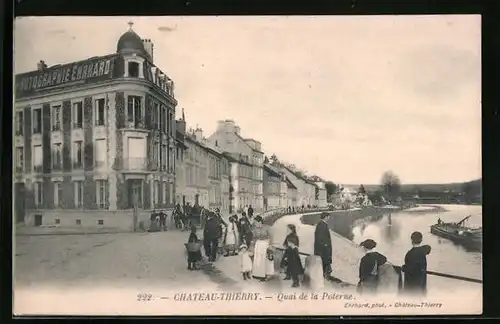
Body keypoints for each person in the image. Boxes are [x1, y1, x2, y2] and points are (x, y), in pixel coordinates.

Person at [402, 231, 432, 295]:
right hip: (422, 285)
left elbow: (409, 269)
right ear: (421, 240)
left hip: (411, 286)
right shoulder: (422, 251)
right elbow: (428, 248)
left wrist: (403, 267)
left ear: (411, 240)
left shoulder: (409, 253)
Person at [251, 216, 275, 282]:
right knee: (258, 259)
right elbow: (254, 238)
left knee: (265, 259)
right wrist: (252, 247)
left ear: (259, 221)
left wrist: (270, 245)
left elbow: (271, 236)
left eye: (255, 222)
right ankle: (258, 274)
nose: (255, 224)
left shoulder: (267, 227)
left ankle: (266, 274)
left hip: (265, 244)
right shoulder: (255, 229)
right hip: (258, 244)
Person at [314, 212, 334, 281]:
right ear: (325, 217)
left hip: (322, 249)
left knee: (324, 263)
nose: (329, 218)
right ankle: (324, 276)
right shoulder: (322, 225)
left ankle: (324, 275)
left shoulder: (321, 224)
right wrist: (325, 245)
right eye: (328, 217)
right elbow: (320, 237)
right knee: (324, 262)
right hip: (323, 250)